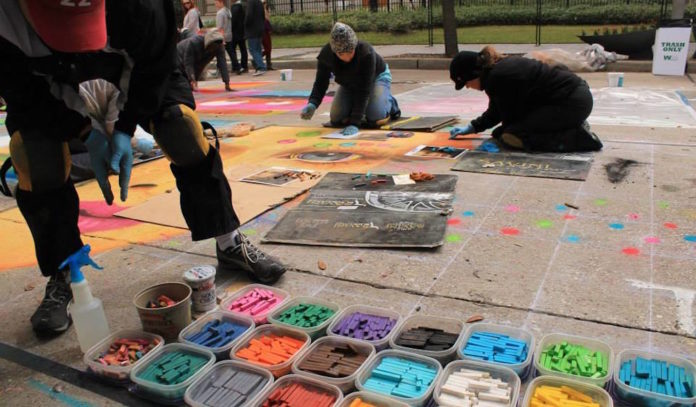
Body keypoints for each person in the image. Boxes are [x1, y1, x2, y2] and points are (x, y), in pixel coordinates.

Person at [0, 0, 285, 337]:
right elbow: (22, 93)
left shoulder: (145, 7)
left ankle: (229, 241)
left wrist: (124, 128)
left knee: (183, 131)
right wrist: (84, 133)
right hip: (48, 81)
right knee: (35, 155)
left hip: (134, 69)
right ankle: (65, 273)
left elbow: (156, 66)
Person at [448, 46, 603, 153]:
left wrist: (499, 131)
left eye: (466, 83)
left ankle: (579, 139)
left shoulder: (497, 77)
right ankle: (569, 126)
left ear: (474, 73)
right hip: (573, 98)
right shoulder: (497, 71)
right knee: (505, 132)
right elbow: (497, 110)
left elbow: (508, 117)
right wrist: (474, 127)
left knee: (513, 135)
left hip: (571, 103)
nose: (468, 87)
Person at [300, 23, 400, 136]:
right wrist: (313, 103)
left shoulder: (366, 53)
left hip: (376, 78)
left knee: (375, 116)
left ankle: (390, 102)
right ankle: (361, 106)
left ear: (355, 45)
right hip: (349, 83)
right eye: (342, 54)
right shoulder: (326, 55)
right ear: (334, 51)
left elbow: (364, 90)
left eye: (351, 51)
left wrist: (355, 123)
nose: (348, 57)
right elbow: (321, 82)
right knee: (337, 118)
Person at [245, 0, 267, 75]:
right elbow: (263, 15)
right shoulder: (259, 2)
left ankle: (261, 67)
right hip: (260, 28)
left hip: (252, 29)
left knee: (253, 49)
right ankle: (260, 66)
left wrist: (245, 24)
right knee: (258, 49)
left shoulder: (250, 2)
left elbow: (249, 15)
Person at [215, 0, 234, 77]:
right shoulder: (228, 11)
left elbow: (219, 27)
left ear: (221, 2)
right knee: (231, 52)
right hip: (229, 34)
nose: (215, 4)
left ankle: (220, 69)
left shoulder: (220, 13)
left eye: (216, 2)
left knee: (220, 54)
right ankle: (237, 67)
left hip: (222, 35)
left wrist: (220, 36)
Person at [230, 0, 249, 74]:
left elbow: (233, 21)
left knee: (232, 50)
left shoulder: (235, 7)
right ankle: (244, 66)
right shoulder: (242, 6)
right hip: (241, 32)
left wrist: (230, 29)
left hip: (235, 33)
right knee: (243, 49)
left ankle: (235, 66)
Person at [261, 0, 273, 71]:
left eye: (265, 3)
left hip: (267, 31)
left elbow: (268, 20)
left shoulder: (266, 10)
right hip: (263, 31)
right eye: (263, 3)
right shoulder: (260, 11)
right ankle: (258, 57)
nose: (265, 4)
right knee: (267, 48)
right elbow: (265, 21)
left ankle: (269, 64)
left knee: (269, 48)